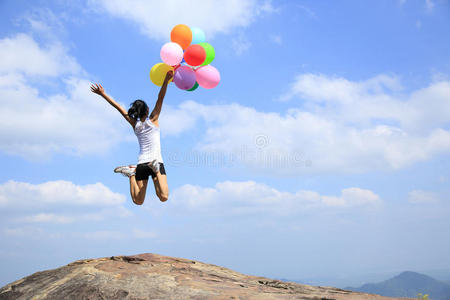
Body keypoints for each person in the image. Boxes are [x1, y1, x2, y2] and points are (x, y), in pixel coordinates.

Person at [90, 70, 173, 205]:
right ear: (147, 110)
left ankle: (131, 174)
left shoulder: (135, 124)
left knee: (138, 201)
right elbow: (160, 98)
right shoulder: (153, 119)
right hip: (155, 161)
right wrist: (166, 80)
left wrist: (102, 94)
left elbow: (118, 107)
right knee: (163, 197)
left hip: (142, 164)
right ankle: (155, 170)